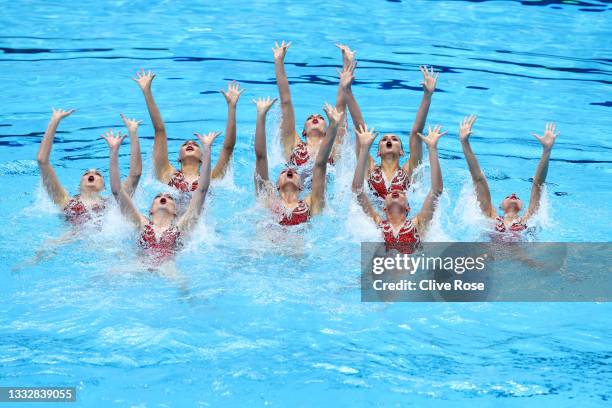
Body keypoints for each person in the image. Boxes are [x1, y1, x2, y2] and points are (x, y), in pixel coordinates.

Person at [103, 128, 220, 263]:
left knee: (183, 284)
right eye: (157, 197)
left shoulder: (182, 227)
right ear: (150, 210)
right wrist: (113, 152)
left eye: (170, 197)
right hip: (138, 265)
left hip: (169, 269)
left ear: (176, 211)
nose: (163, 197)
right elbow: (118, 191)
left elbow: (202, 190)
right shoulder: (140, 223)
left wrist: (207, 150)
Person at [133, 69, 243, 192]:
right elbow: (159, 131)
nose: (190, 144)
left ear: (203, 157)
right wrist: (147, 92)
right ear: (178, 158)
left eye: (195, 144)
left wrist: (232, 107)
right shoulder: (166, 174)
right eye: (185, 144)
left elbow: (228, 148)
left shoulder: (211, 177)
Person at [343, 64, 439, 199]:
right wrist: (347, 90)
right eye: (384, 139)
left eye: (394, 139)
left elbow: (416, 133)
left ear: (401, 152)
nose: (389, 140)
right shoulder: (369, 168)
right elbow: (360, 128)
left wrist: (427, 96)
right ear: (378, 152)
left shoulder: (409, 170)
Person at [37, 108, 142, 225]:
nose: (91, 174)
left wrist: (133, 133)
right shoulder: (65, 201)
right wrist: (54, 121)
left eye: (98, 174)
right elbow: (42, 161)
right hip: (69, 240)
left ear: (104, 187)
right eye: (86, 173)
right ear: (79, 185)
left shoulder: (113, 203)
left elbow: (135, 175)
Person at [459, 116, 559, 236]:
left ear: (523, 208)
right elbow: (478, 179)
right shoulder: (491, 217)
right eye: (508, 196)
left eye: (515, 197)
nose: (513, 194)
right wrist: (464, 143)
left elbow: (538, 184)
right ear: (500, 206)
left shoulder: (528, 219)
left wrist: (546, 151)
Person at [352, 124, 446, 252]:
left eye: (402, 193)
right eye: (390, 193)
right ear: (383, 207)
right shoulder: (377, 224)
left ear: (408, 207)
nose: (395, 191)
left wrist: (432, 149)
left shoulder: (418, 224)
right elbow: (357, 191)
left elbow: (436, 191)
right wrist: (363, 149)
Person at [253, 96, 343, 226]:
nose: (289, 169)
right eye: (283, 171)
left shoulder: (310, 204)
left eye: (294, 173)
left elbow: (320, 165)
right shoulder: (269, 199)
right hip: (265, 244)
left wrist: (334, 125)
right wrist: (261, 116)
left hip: (296, 246)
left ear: (302, 186)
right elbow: (261, 156)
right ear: (276, 184)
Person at [272, 41, 353, 167]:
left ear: (327, 130)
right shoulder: (293, 146)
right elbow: (286, 102)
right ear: (303, 132)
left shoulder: (333, 148)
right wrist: (278, 62)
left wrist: (347, 64)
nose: (315, 117)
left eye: (321, 118)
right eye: (310, 118)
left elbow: (341, 109)